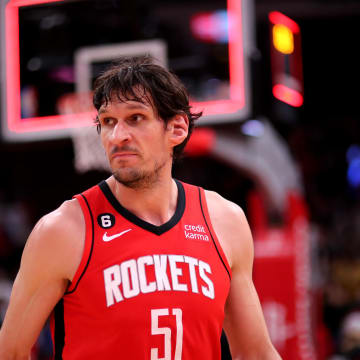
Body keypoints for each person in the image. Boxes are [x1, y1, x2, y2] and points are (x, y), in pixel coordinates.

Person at [0, 55, 281, 360]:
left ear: (176, 128)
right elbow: (10, 351)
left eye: (135, 118)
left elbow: (256, 353)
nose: (118, 136)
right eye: (108, 122)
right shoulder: (62, 230)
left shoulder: (224, 221)